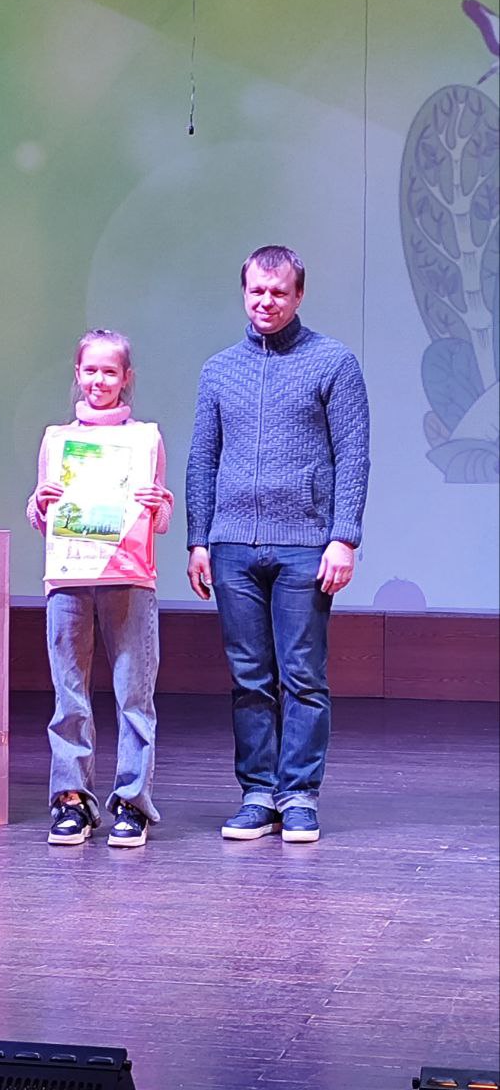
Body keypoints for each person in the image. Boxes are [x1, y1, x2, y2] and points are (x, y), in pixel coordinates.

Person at [186, 246, 369, 844]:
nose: (266, 302)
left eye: (278, 292)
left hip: (305, 545)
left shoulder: (333, 363)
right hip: (232, 545)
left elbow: (353, 456)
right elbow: (203, 458)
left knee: (302, 676)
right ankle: (257, 794)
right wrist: (198, 538)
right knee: (249, 678)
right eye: (256, 292)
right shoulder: (219, 369)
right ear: (244, 293)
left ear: (299, 295)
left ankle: (298, 796)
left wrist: (343, 537)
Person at [27, 328, 173, 848]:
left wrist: (158, 504)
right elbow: (43, 519)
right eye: (90, 370)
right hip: (69, 578)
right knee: (69, 697)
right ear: (78, 373)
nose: (99, 380)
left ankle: (132, 802)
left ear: (126, 378)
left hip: (128, 577)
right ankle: (72, 800)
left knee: (134, 695)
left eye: (110, 371)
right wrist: (41, 502)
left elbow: (159, 520)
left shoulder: (145, 439)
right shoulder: (57, 440)